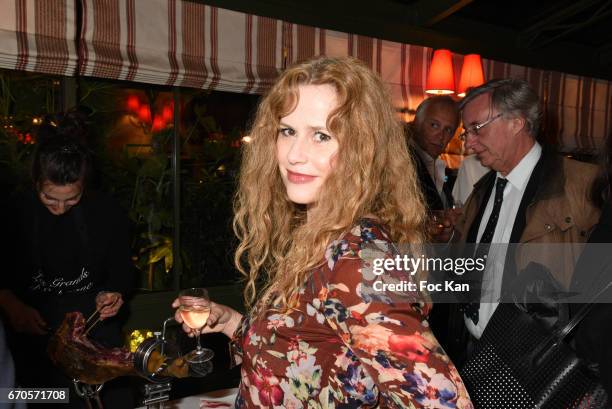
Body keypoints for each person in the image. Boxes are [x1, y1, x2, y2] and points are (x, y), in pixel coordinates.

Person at [173, 57, 473, 408]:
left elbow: (445, 403)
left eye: (321, 135)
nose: (295, 155)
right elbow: (306, 347)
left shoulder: (356, 261)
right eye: (287, 131)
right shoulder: (318, 233)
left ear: (362, 150)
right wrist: (232, 323)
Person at [447, 78, 600, 365]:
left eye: (476, 129)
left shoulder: (582, 184)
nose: (468, 143)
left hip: (537, 362)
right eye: (465, 132)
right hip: (472, 351)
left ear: (516, 122)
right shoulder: (482, 190)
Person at [0, 112, 135, 408]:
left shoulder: (106, 210)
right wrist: (11, 305)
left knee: (113, 401)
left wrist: (114, 293)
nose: (60, 208)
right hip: (33, 338)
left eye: (71, 199)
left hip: (94, 332)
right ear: (37, 182)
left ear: (83, 185)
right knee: (37, 402)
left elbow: (123, 270)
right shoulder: (12, 212)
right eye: (50, 199)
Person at [408, 95, 460, 211]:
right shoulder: (401, 163)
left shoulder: (439, 167)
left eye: (448, 130)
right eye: (434, 125)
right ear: (417, 122)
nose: (441, 136)